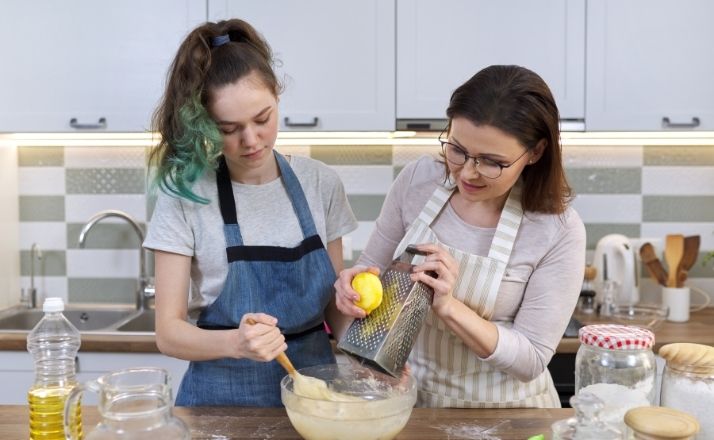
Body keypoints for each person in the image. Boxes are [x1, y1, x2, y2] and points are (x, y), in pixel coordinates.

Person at [335, 65, 586, 408]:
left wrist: (449, 307)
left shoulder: (557, 228)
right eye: (457, 149)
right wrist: (352, 293)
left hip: (508, 415)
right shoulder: (417, 181)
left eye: (491, 161)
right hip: (413, 403)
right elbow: (371, 274)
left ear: (536, 153)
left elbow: (530, 358)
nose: (467, 172)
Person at [143, 19, 358, 407]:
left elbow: (333, 309)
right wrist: (236, 343)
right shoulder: (185, 197)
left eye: (263, 119)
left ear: (278, 98)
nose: (251, 140)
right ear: (203, 124)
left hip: (314, 401)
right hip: (218, 406)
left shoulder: (320, 184)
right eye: (229, 128)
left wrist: (372, 355)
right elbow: (168, 333)